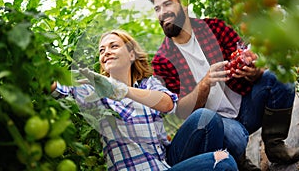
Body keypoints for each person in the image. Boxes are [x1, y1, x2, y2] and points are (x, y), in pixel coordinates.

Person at [148, 0, 299, 170]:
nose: (162, 13)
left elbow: (247, 59)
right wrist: (205, 84)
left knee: (280, 76)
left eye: (167, 4)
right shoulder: (162, 61)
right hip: (218, 126)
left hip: (247, 105)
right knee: (236, 138)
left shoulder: (214, 28)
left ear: (184, 5)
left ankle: (275, 146)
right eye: (157, 8)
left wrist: (253, 72)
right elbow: (181, 111)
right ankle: (239, 161)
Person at [51, 30, 238, 170]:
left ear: (131, 55)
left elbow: (168, 103)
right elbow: (58, 89)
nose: (106, 52)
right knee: (223, 163)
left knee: (207, 119)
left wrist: (121, 90)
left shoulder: (148, 84)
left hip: (164, 164)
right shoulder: (94, 89)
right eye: (102, 50)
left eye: (113, 46)